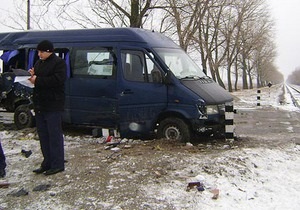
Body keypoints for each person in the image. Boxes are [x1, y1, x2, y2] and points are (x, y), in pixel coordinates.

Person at [28, 40, 67, 176]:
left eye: (41, 52)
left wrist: (37, 80)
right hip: (40, 105)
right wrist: (32, 76)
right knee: (43, 136)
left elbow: (57, 80)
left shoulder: (59, 63)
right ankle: (47, 162)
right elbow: (38, 80)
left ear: (49, 51)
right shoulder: (39, 63)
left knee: (54, 135)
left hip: (53, 105)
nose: (39, 54)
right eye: (38, 52)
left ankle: (57, 164)